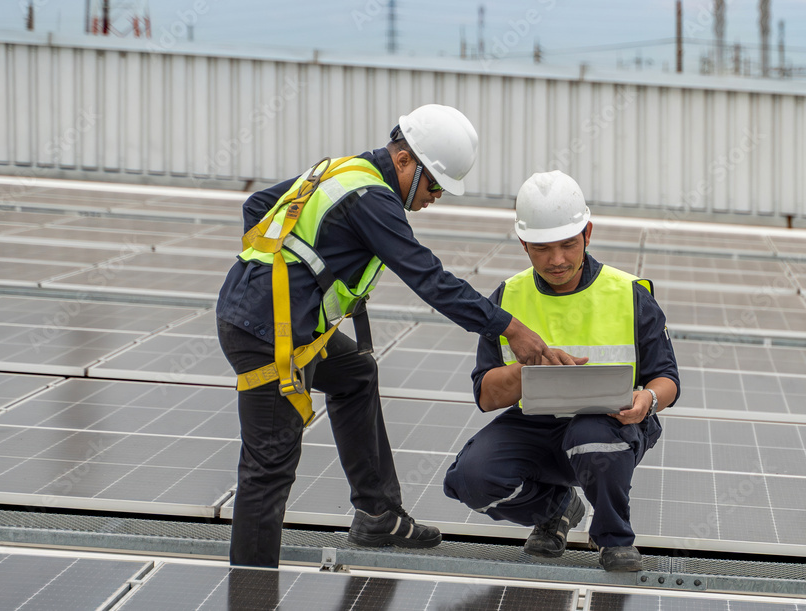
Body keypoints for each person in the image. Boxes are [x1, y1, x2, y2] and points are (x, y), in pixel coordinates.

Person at [216, 104, 561, 568]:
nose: (436, 195)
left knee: (355, 373)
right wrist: (509, 326)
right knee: (268, 470)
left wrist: (278, 279)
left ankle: (378, 512)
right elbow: (430, 279)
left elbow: (257, 207)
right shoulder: (372, 198)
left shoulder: (340, 170)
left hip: (276, 323)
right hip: (268, 337)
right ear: (405, 162)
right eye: (435, 183)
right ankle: (251, 591)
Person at [442, 170, 680, 572]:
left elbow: (667, 379)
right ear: (523, 244)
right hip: (537, 423)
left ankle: (613, 539)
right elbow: (486, 395)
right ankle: (556, 509)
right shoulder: (507, 298)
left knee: (590, 438)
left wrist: (648, 400)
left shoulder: (628, 294)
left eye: (568, 245)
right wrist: (526, 369)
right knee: (471, 480)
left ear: (587, 233)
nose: (557, 260)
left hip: (609, 424)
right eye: (541, 248)